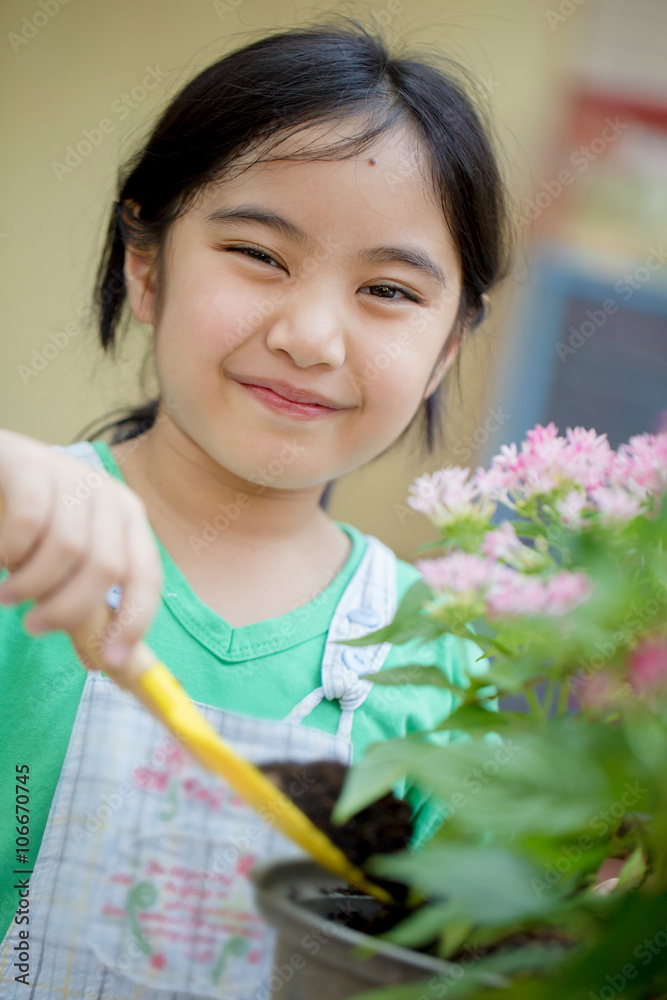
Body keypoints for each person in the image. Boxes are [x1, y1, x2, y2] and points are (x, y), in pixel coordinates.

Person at [0, 19, 512, 998]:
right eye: (259, 255)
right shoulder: (19, 532)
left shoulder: (440, 664)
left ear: (447, 346)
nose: (312, 335)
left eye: (388, 290)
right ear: (146, 264)